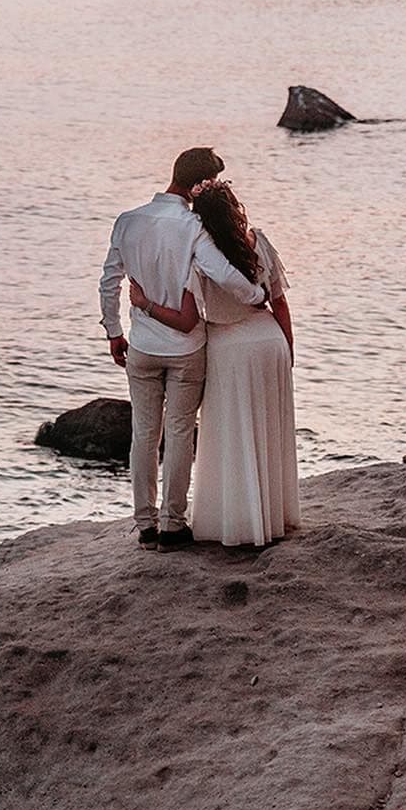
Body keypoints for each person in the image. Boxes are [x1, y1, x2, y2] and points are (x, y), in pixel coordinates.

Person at [100, 148, 266, 550]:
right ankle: (173, 525)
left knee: (144, 433)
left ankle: (145, 525)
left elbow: (109, 282)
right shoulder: (192, 226)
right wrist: (256, 294)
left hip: (141, 344)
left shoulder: (129, 220)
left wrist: (113, 331)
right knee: (178, 433)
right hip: (185, 348)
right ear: (197, 185)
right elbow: (222, 273)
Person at [128, 178, 298, 549]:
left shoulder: (199, 257)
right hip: (270, 341)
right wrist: (288, 349)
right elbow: (280, 303)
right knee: (267, 431)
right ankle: (273, 518)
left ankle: (239, 523)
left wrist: (143, 302)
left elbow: (188, 318)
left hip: (229, 349)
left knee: (231, 437)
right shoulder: (260, 241)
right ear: (235, 208)